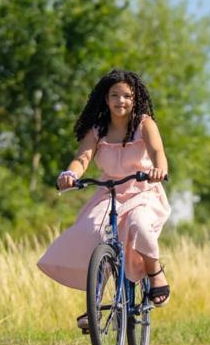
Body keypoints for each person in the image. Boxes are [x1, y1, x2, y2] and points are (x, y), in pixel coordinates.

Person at [38, 69, 172, 329]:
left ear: (135, 99)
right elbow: (82, 158)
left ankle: (155, 272)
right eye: (114, 95)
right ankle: (95, 304)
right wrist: (69, 174)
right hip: (109, 192)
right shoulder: (98, 129)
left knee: (139, 225)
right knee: (92, 231)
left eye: (126, 96)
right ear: (105, 99)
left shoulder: (144, 124)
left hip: (143, 192)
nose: (120, 101)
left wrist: (159, 169)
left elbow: (158, 152)